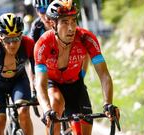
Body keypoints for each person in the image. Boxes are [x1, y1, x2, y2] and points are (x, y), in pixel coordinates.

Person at [34, 0, 120, 135]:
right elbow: (39, 83)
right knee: (55, 104)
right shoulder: (43, 44)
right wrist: (46, 110)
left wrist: (108, 104)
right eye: (64, 22)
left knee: (82, 131)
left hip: (75, 84)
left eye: (73, 21)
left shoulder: (86, 38)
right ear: (53, 24)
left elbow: (104, 74)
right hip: (53, 83)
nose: (71, 27)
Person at [0, 13, 35, 135]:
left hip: (19, 81)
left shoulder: (28, 44)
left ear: (21, 35)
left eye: (16, 38)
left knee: (24, 111)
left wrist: (36, 90)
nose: (12, 44)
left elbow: (37, 72)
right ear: (0, 37)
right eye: (8, 39)